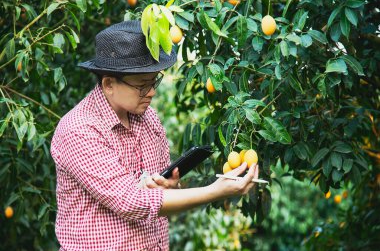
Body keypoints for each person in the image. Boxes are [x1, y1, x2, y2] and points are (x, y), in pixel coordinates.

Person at [50, 20, 259, 251]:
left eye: (154, 81)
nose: (151, 92)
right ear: (108, 84)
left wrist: (169, 186)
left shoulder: (148, 119)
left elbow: (157, 200)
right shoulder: (79, 129)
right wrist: (215, 191)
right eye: (142, 85)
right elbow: (131, 202)